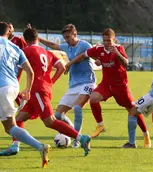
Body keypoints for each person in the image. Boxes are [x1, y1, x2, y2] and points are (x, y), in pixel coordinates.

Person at [0, 27, 91, 156]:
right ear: (38, 39)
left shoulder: (26, 51)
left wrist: (20, 90)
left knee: (50, 121)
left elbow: (19, 71)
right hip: (39, 90)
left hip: (37, 91)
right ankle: (15, 146)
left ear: (25, 41)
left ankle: (81, 138)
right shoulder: (47, 52)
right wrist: (50, 82)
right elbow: (61, 67)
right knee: (19, 118)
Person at [65, 28, 151, 148]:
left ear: (113, 39)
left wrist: (117, 53)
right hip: (106, 85)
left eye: (109, 40)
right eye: (105, 40)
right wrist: (71, 64)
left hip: (120, 86)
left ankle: (145, 134)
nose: (106, 43)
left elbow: (126, 64)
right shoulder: (98, 49)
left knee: (133, 110)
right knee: (93, 98)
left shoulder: (119, 48)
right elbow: (83, 55)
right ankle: (100, 125)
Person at [0, 22, 50, 168]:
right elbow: (30, 71)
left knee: (10, 127)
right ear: (9, 33)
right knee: (10, 127)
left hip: (1, 87)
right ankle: (39, 147)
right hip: (13, 87)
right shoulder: (16, 48)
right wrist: (27, 90)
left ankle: (38, 146)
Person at [38, 23, 96, 148]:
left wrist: (68, 65)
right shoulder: (67, 47)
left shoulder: (84, 45)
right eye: (65, 38)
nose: (67, 40)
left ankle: (77, 139)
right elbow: (54, 45)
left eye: (68, 37)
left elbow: (82, 57)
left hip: (87, 82)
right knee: (58, 115)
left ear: (75, 34)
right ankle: (74, 133)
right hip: (73, 85)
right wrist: (38, 38)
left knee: (77, 108)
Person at [7, 22, 27, 106]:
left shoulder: (18, 39)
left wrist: (21, 66)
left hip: (17, 66)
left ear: (13, 29)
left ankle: (23, 103)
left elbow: (25, 50)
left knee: (11, 86)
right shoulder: (4, 40)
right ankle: (22, 103)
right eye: (8, 28)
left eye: (10, 27)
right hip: (7, 67)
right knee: (11, 87)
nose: (9, 29)